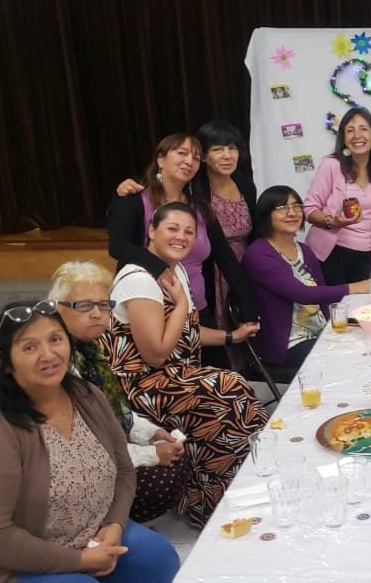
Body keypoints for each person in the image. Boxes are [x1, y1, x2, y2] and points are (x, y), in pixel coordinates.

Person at [0, 302, 180, 583]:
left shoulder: (86, 395)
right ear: (3, 363)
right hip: (4, 564)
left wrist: (114, 525)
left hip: (86, 535)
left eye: (55, 339)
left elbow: (124, 471)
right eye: (29, 347)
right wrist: (80, 561)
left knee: (157, 556)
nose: (48, 355)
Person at [104, 202, 268, 527]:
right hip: (144, 385)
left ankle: (243, 486)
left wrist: (231, 337)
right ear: (151, 231)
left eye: (189, 231)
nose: (181, 237)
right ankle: (205, 504)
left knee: (234, 391)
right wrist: (180, 303)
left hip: (176, 376)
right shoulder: (138, 279)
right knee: (227, 393)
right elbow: (157, 354)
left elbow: (185, 333)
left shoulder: (173, 270)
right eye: (172, 229)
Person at [48, 261, 188, 524]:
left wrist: (152, 433)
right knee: (161, 472)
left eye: (104, 305)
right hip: (73, 472)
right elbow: (82, 446)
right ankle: (102, 526)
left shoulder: (91, 350)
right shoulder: (57, 362)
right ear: (57, 308)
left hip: (106, 446)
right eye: (85, 306)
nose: (97, 314)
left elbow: (114, 409)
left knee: (175, 449)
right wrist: (149, 455)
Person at [106, 132, 259, 369]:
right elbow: (118, 245)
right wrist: (159, 268)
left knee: (225, 380)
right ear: (160, 159)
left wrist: (249, 306)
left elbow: (225, 258)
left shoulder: (200, 207)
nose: (189, 161)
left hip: (197, 310)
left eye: (196, 157)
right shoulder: (133, 198)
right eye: (182, 153)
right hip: (151, 310)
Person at [244, 186, 371, 377]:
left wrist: (343, 325)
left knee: (369, 343)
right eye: (281, 208)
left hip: (320, 332)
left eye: (296, 206)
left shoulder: (304, 249)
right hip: (289, 342)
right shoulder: (259, 253)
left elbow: (322, 295)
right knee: (349, 360)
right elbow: (302, 294)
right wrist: (356, 287)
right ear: (265, 214)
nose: (292, 213)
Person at [302, 107, 371, 284]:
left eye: (363, 129)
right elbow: (309, 209)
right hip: (330, 254)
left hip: (365, 254)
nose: (357, 135)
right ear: (344, 139)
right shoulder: (331, 165)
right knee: (336, 309)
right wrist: (333, 221)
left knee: (365, 309)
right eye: (350, 130)